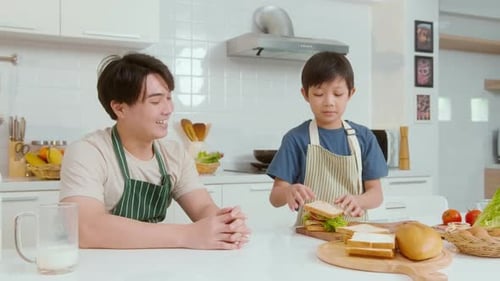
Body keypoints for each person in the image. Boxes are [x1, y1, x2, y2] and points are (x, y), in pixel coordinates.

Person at [59, 53, 250, 250]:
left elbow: (202, 207)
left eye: (168, 98)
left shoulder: (174, 154)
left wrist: (225, 224)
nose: (168, 109)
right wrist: (187, 234)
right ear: (120, 108)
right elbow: (85, 228)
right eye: (156, 101)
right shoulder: (88, 152)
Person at [267, 51, 388, 224]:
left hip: (354, 233)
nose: (329, 102)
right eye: (318, 94)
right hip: (309, 234)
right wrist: (288, 192)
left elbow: (376, 194)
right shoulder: (296, 139)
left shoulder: (364, 137)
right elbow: (275, 197)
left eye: (338, 94)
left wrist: (359, 201)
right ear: (305, 94)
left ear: (350, 93)